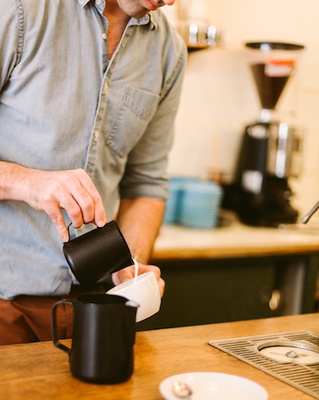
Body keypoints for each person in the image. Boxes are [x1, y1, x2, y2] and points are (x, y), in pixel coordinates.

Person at [0, 0, 187, 345]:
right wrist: (28, 182)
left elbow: (145, 183)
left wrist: (130, 265)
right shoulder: (19, 10)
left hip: (94, 309)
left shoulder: (169, 51)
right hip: (4, 304)